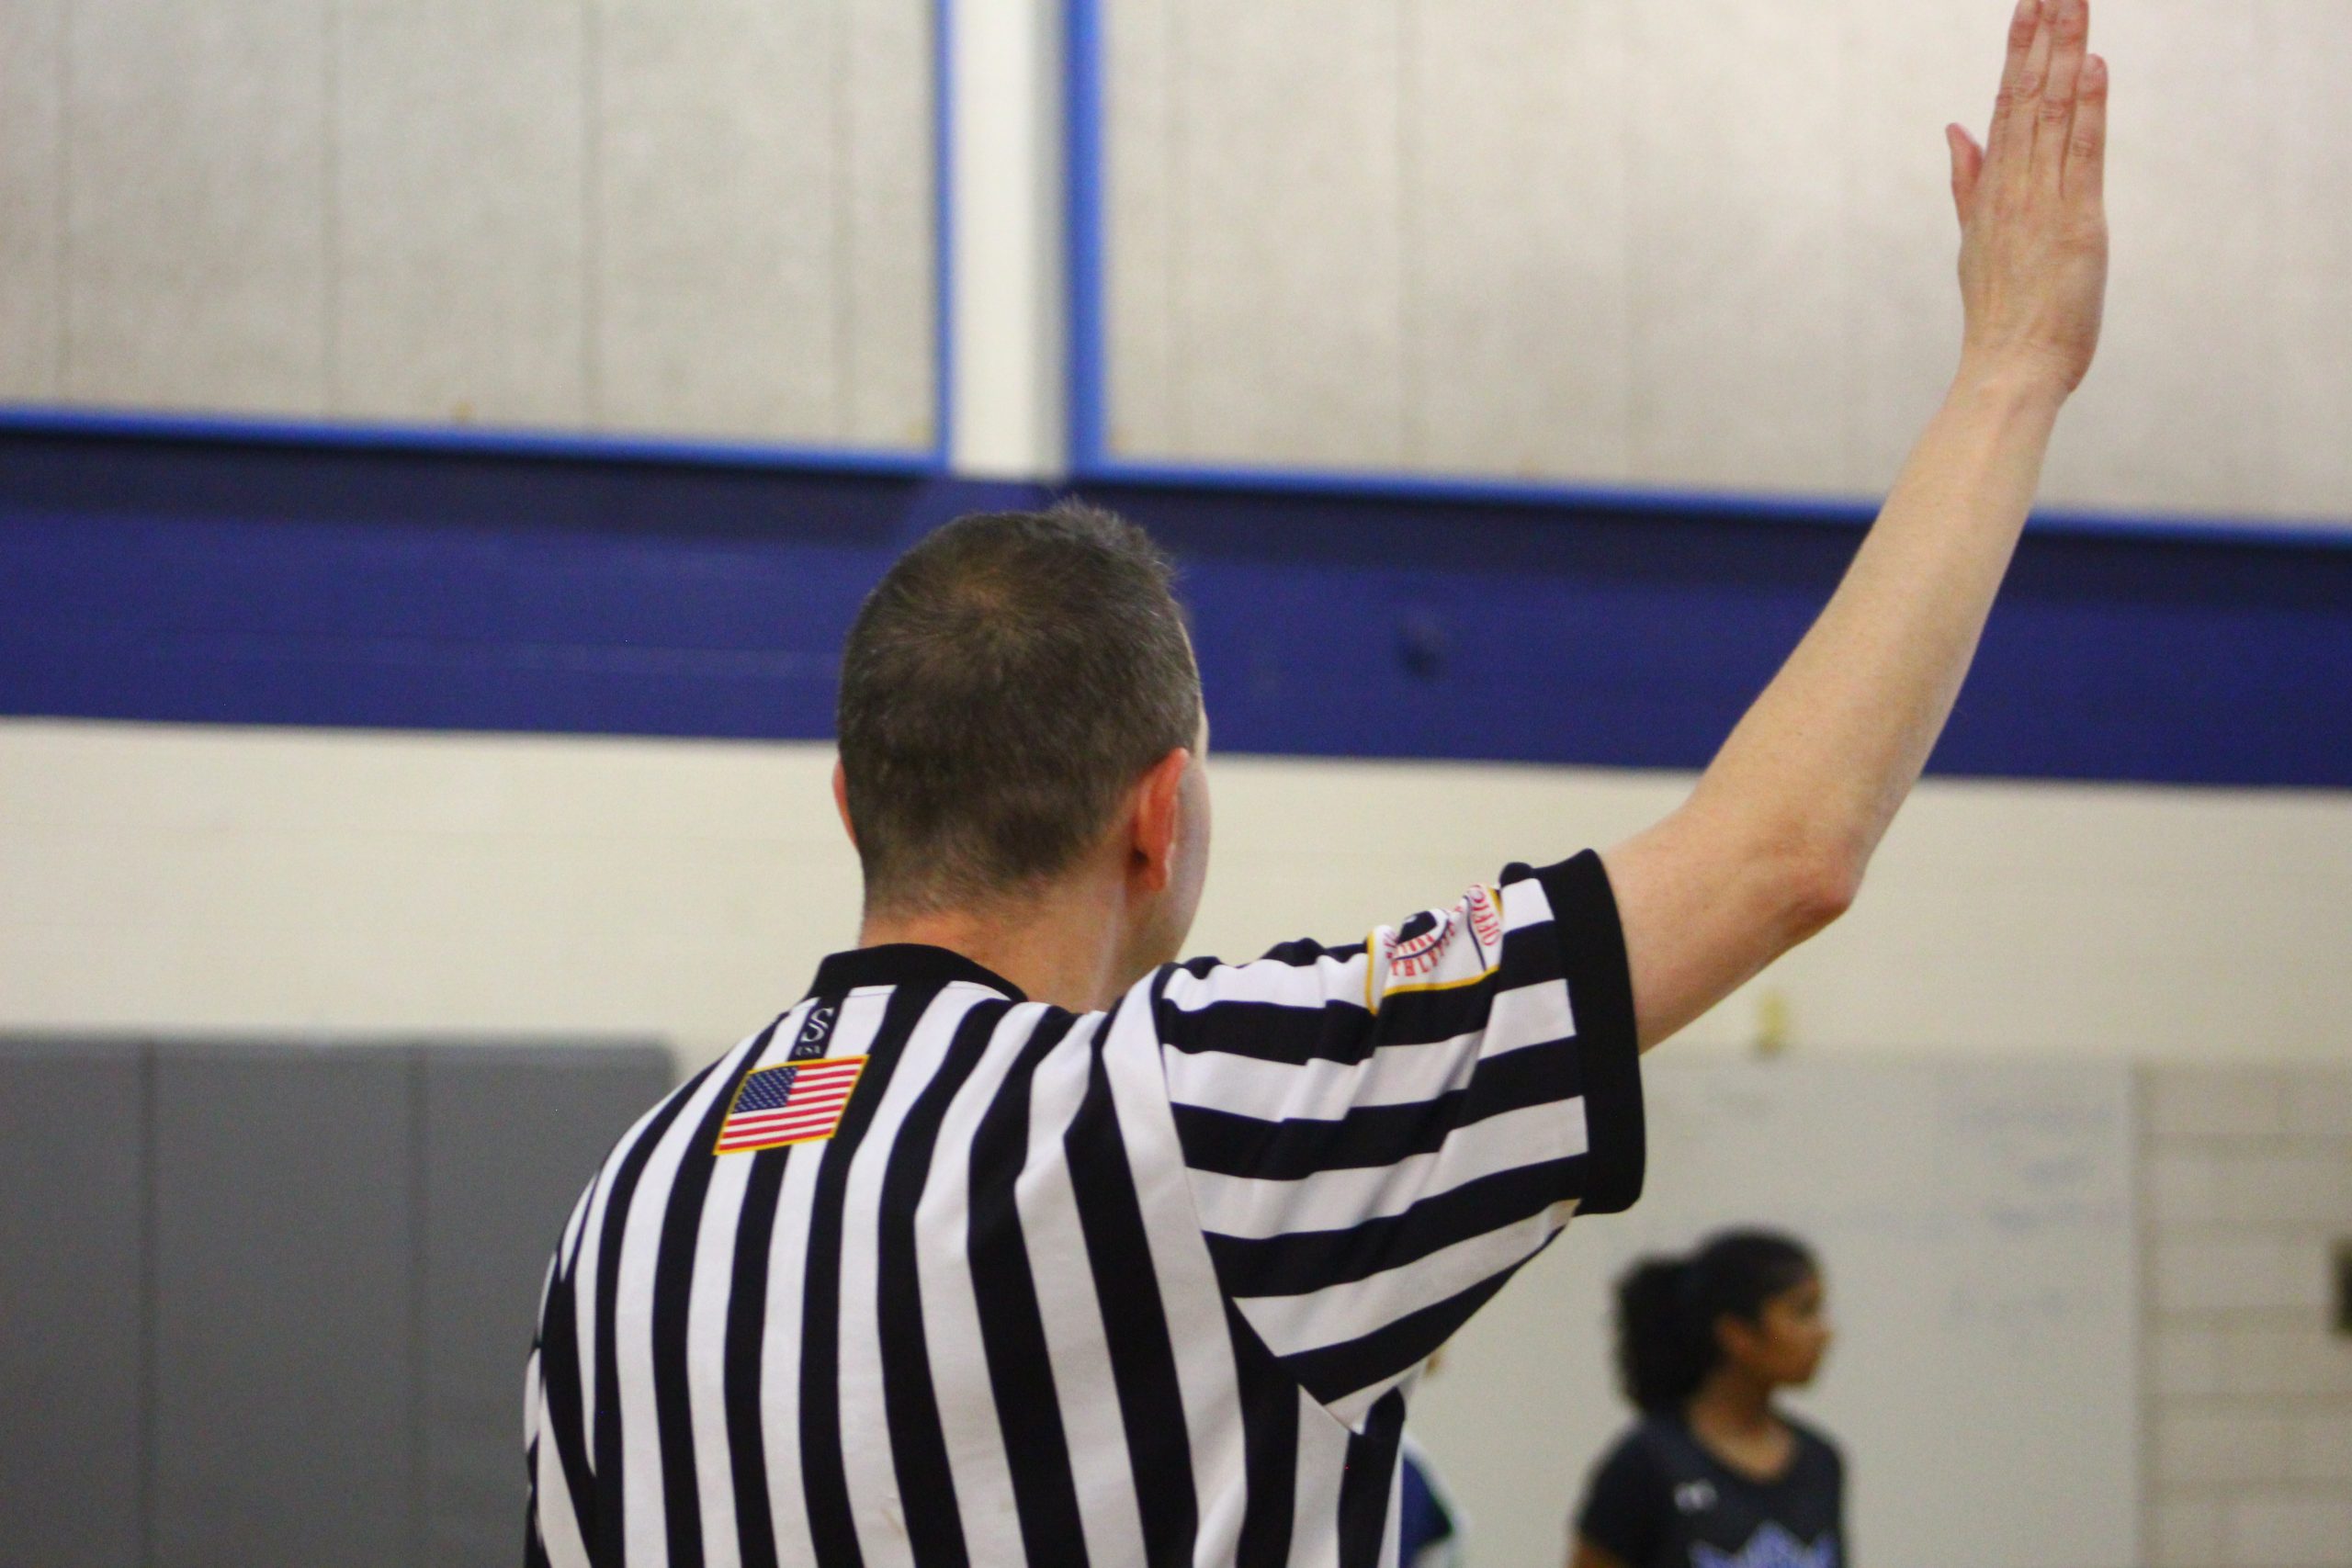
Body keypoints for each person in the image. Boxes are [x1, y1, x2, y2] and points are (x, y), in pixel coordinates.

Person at [523, 1, 2109, 1562]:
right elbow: (1783, 855)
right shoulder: (1196, 1111)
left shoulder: (626, 1210)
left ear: (854, 804)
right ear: (1160, 819)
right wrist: (2012, 371)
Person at [1569, 1233, 1841, 1568]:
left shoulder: (1821, 1461)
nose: (1824, 1332)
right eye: (1802, 1312)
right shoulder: (1647, 1464)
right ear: (1736, 1333)